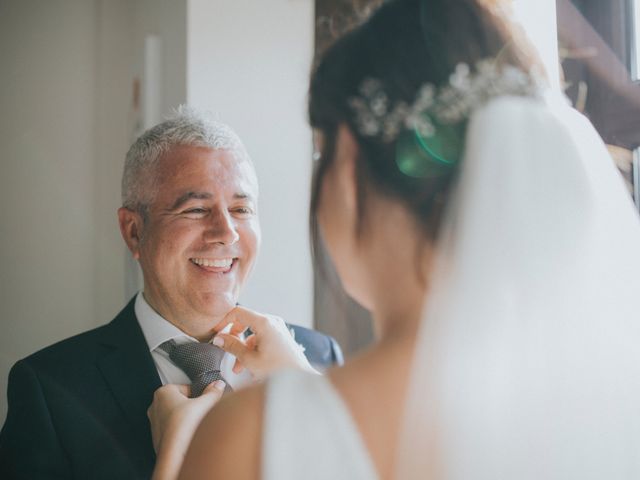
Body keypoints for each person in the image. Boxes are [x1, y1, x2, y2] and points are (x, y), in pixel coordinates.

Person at [148, 0, 640, 479]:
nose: (226, 230)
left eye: (322, 156)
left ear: (347, 170)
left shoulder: (247, 434)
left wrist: (175, 456)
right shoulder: (598, 410)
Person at [0, 109, 343, 479]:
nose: (226, 233)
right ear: (133, 231)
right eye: (196, 209)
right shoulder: (49, 389)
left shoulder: (319, 358)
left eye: (241, 209)